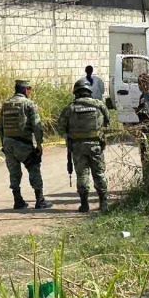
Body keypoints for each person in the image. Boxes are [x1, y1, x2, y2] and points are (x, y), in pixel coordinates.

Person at [57, 78, 111, 213]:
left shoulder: (70, 108)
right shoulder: (99, 105)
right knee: (99, 173)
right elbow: (107, 123)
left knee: (82, 175)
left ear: (76, 93)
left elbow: (60, 128)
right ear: (89, 92)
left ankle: (84, 204)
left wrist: (70, 135)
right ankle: (103, 203)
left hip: (77, 147)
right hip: (96, 146)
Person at [0, 80, 53, 210]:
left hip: (8, 143)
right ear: (25, 90)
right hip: (23, 144)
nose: (30, 92)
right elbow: (37, 126)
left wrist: (4, 144)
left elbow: (0, 128)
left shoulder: (5, 104)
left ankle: (18, 201)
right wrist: (39, 144)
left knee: (14, 172)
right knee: (33, 167)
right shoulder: (28, 104)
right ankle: (40, 201)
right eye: (29, 89)